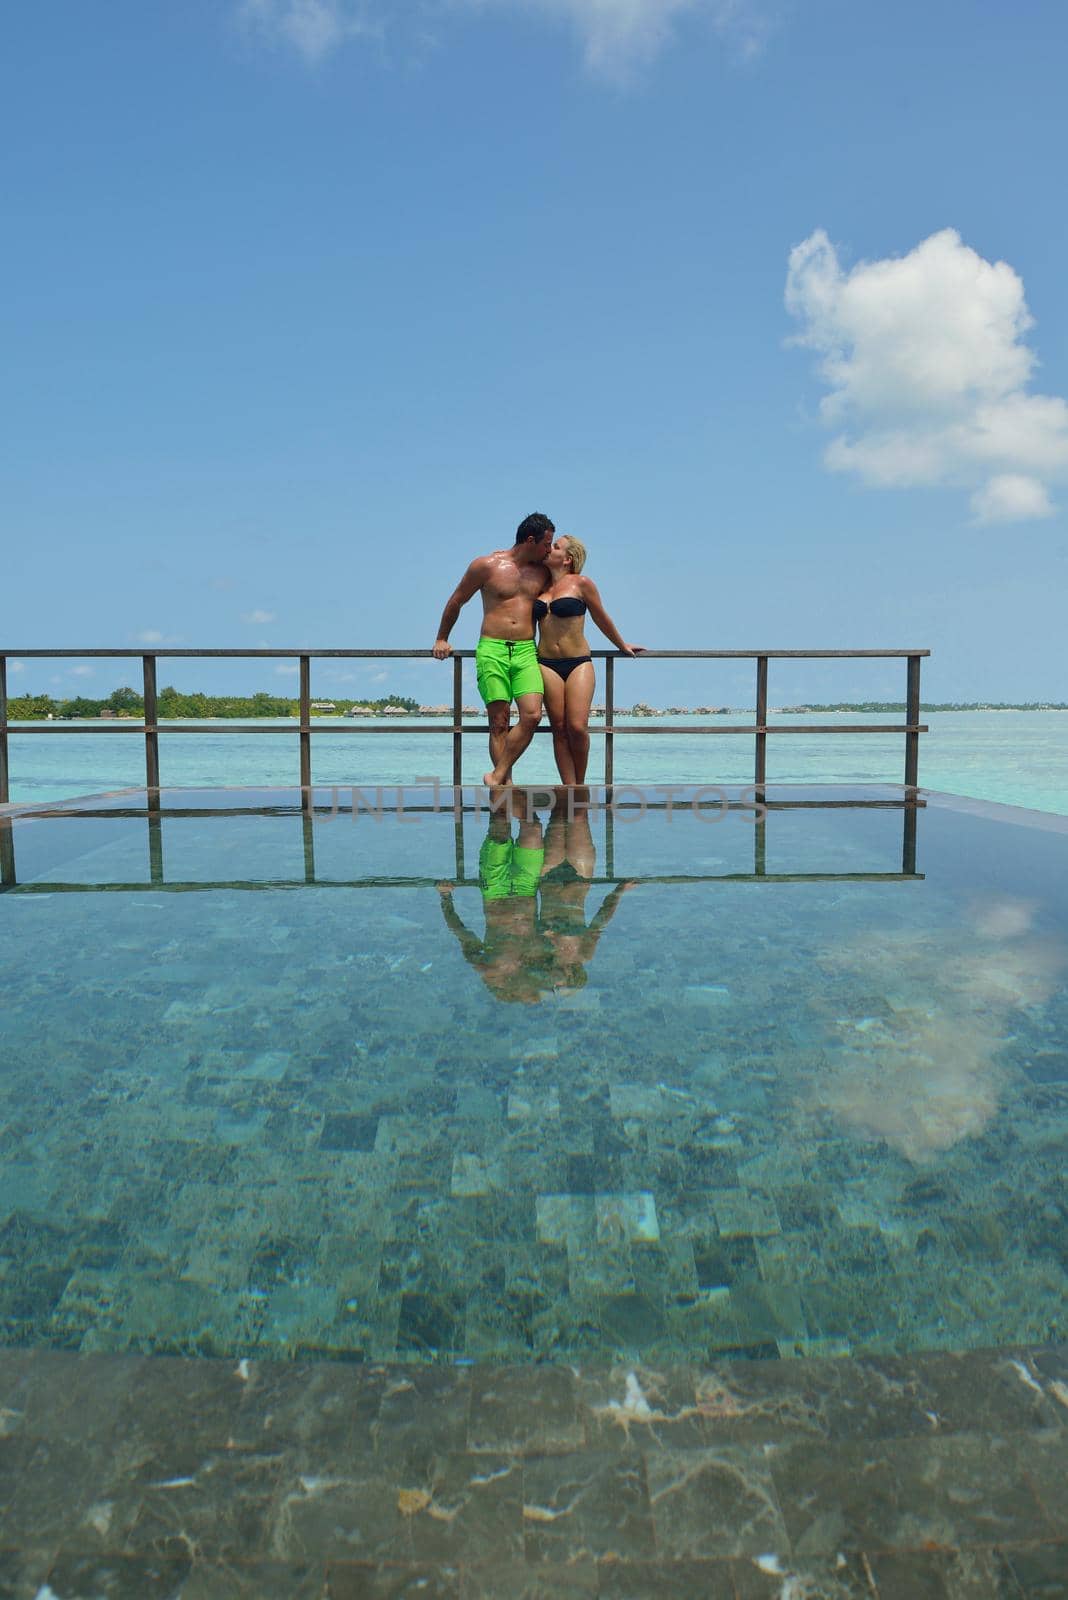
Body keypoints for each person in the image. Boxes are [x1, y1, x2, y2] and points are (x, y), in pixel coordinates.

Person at [433, 512, 554, 787]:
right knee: (499, 722)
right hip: (492, 649)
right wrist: (442, 638)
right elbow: (456, 601)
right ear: (531, 540)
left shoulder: (543, 571)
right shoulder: (486, 565)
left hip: (526, 650)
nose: (549, 549)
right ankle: (505, 786)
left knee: (533, 715)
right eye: (547, 543)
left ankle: (497, 776)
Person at [535, 535, 642, 786]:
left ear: (568, 559)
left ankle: (580, 785)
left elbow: (600, 617)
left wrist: (621, 645)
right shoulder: (539, 587)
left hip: (578, 662)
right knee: (558, 730)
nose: (549, 549)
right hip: (546, 663)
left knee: (577, 727)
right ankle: (568, 787)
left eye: (556, 547)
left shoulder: (582, 584)